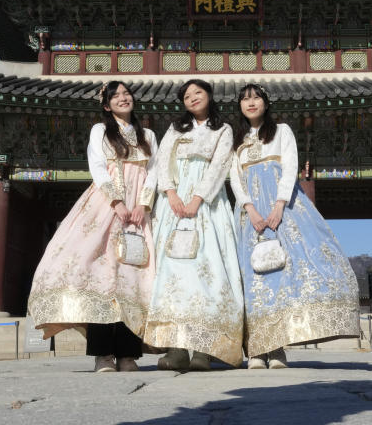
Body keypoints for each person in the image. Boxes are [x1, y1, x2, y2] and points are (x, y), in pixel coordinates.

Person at [27, 81, 159, 373]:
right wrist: (118, 202)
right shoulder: (100, 131)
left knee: (132, 281)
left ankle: (128, 354)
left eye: (127, 94)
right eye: (116, 96)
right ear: (106, 105)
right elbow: (98, 167)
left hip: (138, 214)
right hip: (105, 207)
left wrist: (143, 205)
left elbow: (154, 172)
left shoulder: (147, 134)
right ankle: (103, 355)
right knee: (101, 277)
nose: (123, 99)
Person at [229, 83, 359, 369]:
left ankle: (276, 349)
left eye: (256, 98)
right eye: (245, 99)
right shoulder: (236, 139)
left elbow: (290, 167)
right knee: (253, 279)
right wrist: (249, 208)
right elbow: (235, 178)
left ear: (266, 102)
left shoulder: (281, 131)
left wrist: (278, 205)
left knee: (284, 274)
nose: (251, 103)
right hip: (250, 214)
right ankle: (256, 349)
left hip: (283, 208)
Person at [144, 79, 244, 371]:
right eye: (187, 96)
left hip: (208, 204)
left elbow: (220, 164)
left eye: (198, 92)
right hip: (174, 203)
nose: (192, 98)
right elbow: (163, 161)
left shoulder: (223, 130)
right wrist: (172, 194)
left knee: (208, 270)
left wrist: (198, 198)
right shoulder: (176, 129)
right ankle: (176, 347)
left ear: (210, 96)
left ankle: (204, 349)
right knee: (173, 274)